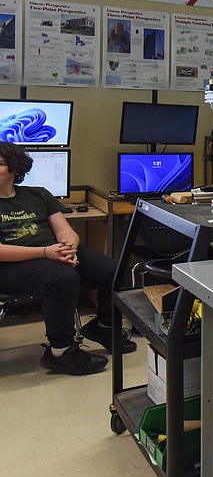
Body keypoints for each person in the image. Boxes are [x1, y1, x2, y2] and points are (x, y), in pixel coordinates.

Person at [0, 142, 135, 375]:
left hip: (53, 252)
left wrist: (68, 248)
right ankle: (59, 351)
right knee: (64, 278)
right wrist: (47, 253)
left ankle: (103, 327)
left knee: (113, 269)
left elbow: (65, 230)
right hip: (12, 265)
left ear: (15, 167)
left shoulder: (38, 194)